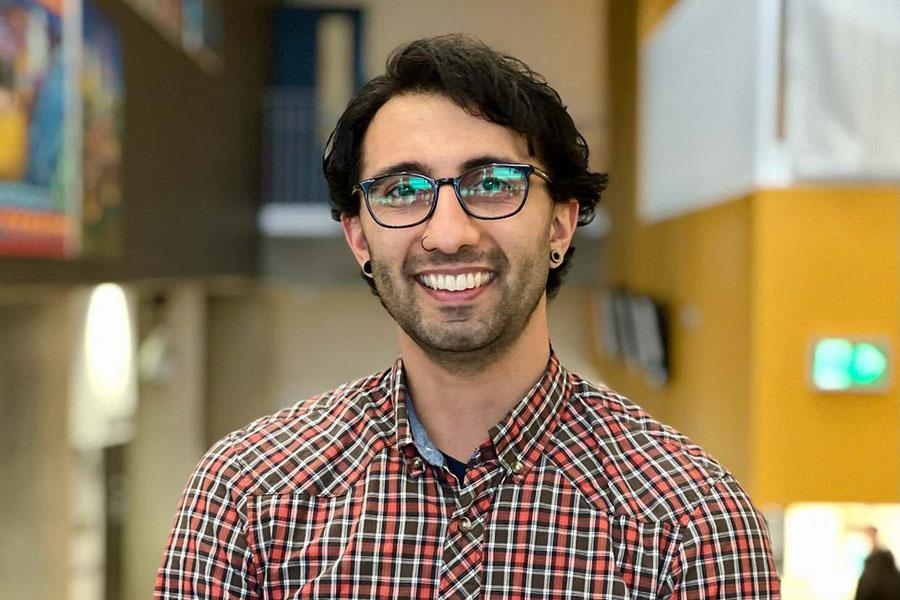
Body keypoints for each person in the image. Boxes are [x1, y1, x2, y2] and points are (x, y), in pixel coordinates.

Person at [156, 35, 780, 599]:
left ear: (560, 225)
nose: (449, 234)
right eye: (402, 191)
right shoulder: (248, 497)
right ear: (359, 239)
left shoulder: (691, 524)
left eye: (492, 183)